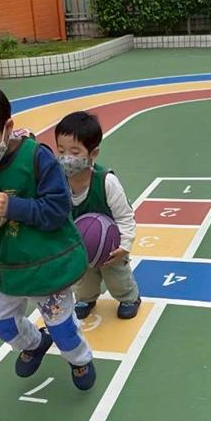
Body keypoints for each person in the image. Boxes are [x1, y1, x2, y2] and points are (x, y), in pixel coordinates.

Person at [0, 80, 96, 391]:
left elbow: (58, 210)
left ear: (7, 127)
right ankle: (35, 343)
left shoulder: (37, 158)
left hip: (48, 266)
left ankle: (80, 360)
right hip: (6, 267)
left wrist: (13, 206)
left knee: (63, 330)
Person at [54, 111, 141, 320]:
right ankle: (86, 299)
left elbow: (125, 216)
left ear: (93, 153)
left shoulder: (106, 182)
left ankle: (130, 298)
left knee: (117, 277)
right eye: (61, 150)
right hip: (79, 244)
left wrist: (124, 245)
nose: (66, 158)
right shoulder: (57, 181)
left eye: (75, 152)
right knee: (82, 279)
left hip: (110, 244)